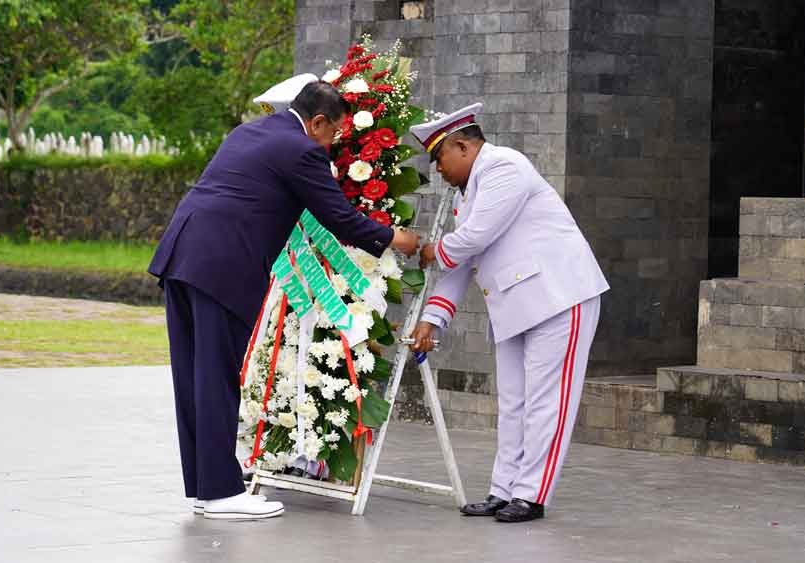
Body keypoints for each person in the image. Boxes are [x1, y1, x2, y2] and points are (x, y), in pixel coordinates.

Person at [148, 75, 420, 521]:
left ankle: (204, 485)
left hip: (182, 254)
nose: (333, 144)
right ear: (316, 123)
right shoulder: (303, 149)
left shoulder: (249, 131)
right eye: (334, 133)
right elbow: (341, 220)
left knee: (194, 375)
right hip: (221, 265)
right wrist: (396, 239)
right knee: (216, 375)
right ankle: (220, 493)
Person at [408, 103, 608, 523]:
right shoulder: (471, 196)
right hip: (516, 306)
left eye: (439, 159)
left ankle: (531, 494)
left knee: (545, 403)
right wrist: (433, 319)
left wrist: (431, 250)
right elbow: (462, 261)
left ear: (462, 146)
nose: (438, 171)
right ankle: (503, 490)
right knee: (514, 403)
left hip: (559, 296)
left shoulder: (504, 166)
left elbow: (474, 237)